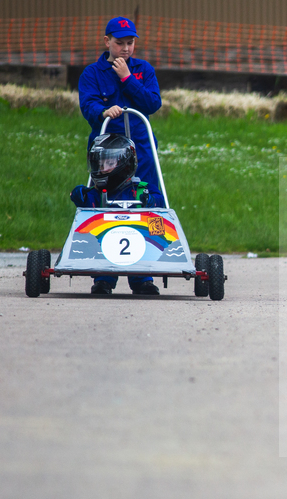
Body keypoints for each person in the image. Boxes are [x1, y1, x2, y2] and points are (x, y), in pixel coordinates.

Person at [69, 133, 165, 296]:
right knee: (97, 234)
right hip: (104, 243)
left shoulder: (141, 189)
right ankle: (103, 280)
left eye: (109, 163)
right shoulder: (97, 193)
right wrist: (80, 196)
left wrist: (149, 201)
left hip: (140, 241)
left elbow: (159, 202)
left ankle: (142, 281)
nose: (103, 168)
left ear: (124, 164)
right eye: (101, 163)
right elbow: (87, 207)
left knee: (154, 222)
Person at [78, 16, 162, 190]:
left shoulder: (143, 69)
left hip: (141, 145)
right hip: (107, 147)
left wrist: (127, 78)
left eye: (130, 43)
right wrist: (104, 111)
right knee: (107, 193)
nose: (125, 48)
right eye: (119, 43)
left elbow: (153, 103)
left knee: (146, 192)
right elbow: (88, 105)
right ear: (107, 41)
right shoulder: (92, 73)